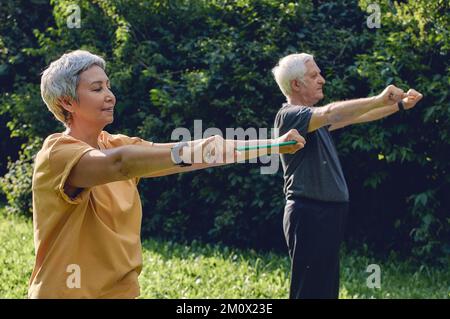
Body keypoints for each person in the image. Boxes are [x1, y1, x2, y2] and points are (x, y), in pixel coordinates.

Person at [29, 50, 306, 298]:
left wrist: (273, 144)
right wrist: (184, 153)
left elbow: (202, 153)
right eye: (97, 88)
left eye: (108, 86)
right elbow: (119, 165)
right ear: (67, 102)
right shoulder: (58, 153)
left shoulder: (116, 144)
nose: (110, 95)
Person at [272, 53, 423, 299]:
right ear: (296, 85)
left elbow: (358, 115)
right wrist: (379, 97)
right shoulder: (291, 115)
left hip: (327, 213)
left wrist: (398, 105)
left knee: (324, 291)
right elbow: (332, 112)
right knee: (309, 292)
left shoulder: (313, 120)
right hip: (310, 213)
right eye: (314, 75)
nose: (322, 80)